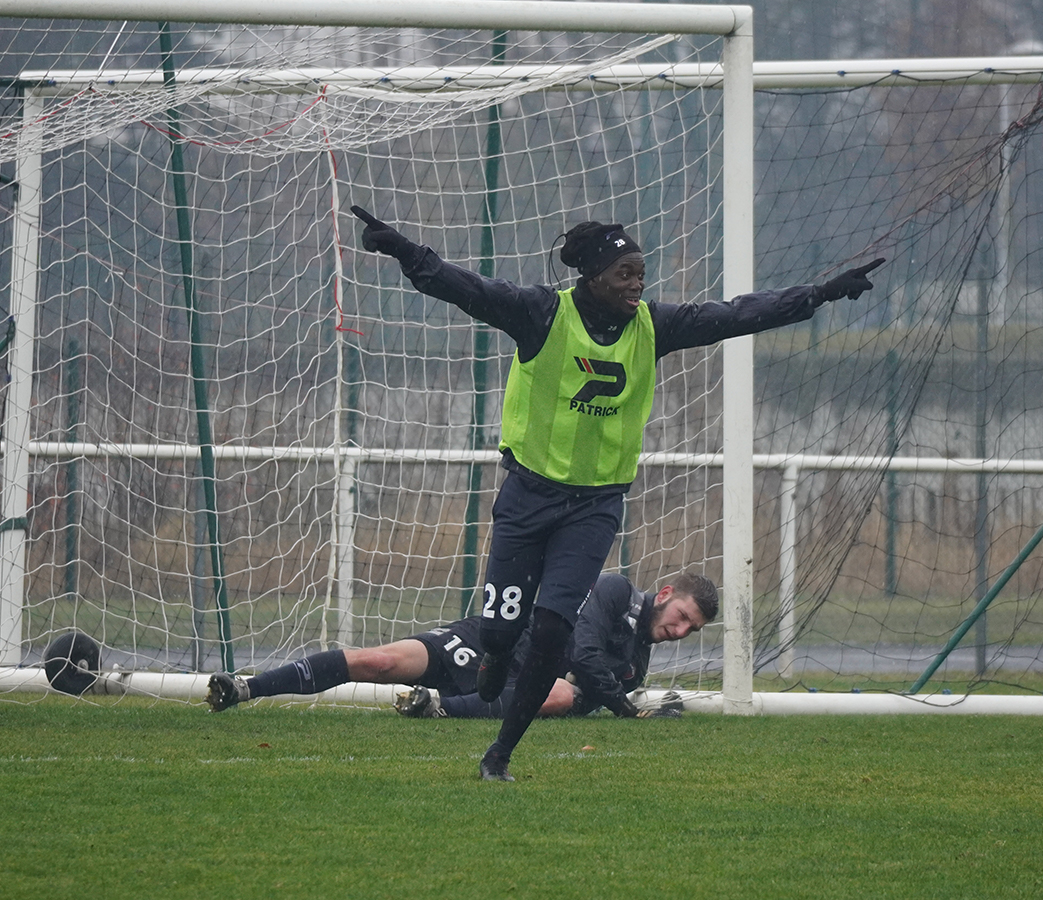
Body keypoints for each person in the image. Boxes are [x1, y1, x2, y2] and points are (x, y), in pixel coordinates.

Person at [352, 206, 883, 780]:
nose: (637, 284)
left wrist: (819, 294)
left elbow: (735, 315)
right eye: (625, 273)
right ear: (594, 277)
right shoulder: (541, 314)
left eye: (641, 273)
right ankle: (496, 655)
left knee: (554, 631)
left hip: (595, 505)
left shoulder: (655, 326)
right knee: (502, 631)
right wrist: (406, 251)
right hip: (528, 496)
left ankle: (498, 756)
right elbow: (467, 288)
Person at [204, 570, 718, 722]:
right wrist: (628, 711)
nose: (679, 632)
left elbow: (586, 691)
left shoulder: (639, 658)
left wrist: (616, 697)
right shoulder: (614, 589)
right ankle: (247, 687)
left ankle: (437, 708)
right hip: (493, 642)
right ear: (666, 595)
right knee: (380, 660)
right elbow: (585, 656)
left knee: (562, 696)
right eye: (681, 619)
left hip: (523, 683)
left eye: (689, 631)